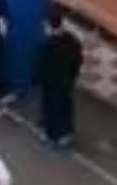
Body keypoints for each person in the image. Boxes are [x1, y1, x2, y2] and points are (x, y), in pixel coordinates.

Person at [34, 10, 83, 148]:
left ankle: (52, 134)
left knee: (50, 108)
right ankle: (66, 133)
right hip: (66, 82)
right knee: (65, 106)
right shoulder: (72, 41)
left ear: (49, 26)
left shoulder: (45, 46)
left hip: (50, 84)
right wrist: (73, 76)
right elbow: (78, 60)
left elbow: (39, 66)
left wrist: (36, 79)